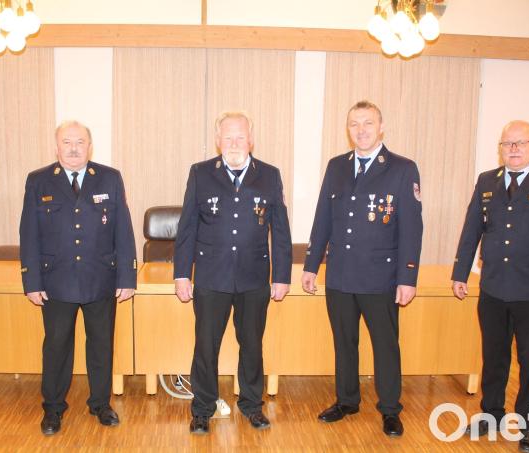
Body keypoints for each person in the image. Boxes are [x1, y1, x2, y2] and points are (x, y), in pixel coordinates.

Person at [452, 120, 529, 453]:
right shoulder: (487, 181)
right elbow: (471, 229)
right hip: (494, 287)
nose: (513, 149)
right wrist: (460, 272)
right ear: (501, 148)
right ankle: (491, 414)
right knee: (493, 357)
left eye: (521, 143)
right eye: (508, 143)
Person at [301, 100, 423, 437]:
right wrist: (311, 265)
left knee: (385, 345)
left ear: (381, 127)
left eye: (368, 123)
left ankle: (390, 409)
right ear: (348, 129)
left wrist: (408, 277)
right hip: (340, 274)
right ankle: (347, 400)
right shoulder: (337, 166)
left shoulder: (402, 168)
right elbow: (323, 218)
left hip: (380, 277)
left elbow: (412, 228)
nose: (361, 130)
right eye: (354, 124)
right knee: (344, 342)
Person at [173, 111, 292, 435]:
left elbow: (280, 230)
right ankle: (202, 409)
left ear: (251, 140)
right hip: (212, 276)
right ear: (218, 141)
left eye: (240, 137)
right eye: (228, 138)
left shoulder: (269, 175)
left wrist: (281, 276)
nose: (234, 143)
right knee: (205, 346)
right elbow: (187, 226)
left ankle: (252, 405)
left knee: (252, 344)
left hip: (254, 277)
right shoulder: (200, 173)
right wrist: (182, 273)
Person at [19, 120, 136, 436]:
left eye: (80, 142)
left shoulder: (109, 178)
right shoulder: (39, 181)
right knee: (56, 346)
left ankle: (100, 404)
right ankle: (53, 408)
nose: (73, 149)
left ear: (90, 146)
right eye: (67, 142)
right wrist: (32, 281)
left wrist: (127, 276)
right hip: (55, 281)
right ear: (56, 147)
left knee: (101, 345)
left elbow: (123, 231)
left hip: (101, 278)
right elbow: (29, 234)